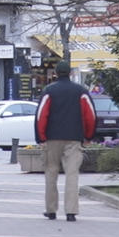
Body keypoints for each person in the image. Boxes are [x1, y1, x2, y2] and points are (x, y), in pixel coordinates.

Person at [34, 60, 96, 222]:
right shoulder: (81, 92)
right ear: (70, 73)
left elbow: (41, 116)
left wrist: (41, 138)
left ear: (55, 73)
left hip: (52, 138)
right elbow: (90, 116)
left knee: (51, 172)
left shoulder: (49, 91)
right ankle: (71, 212)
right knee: (72, 174)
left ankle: (51, 210)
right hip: (74, 138)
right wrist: (88, 136)